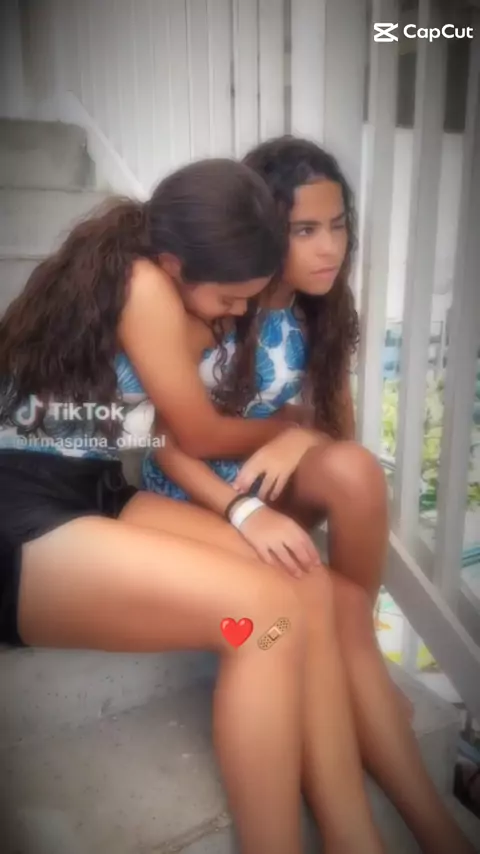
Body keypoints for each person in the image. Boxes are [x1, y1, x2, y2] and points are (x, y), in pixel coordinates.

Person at [0, 157, 388, 854]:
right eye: (232, 299)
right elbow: (199, 434)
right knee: (261, 618)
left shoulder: (154, 274)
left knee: (302, 580)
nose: (238, 313)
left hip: (93, 487)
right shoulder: (143, 283)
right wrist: (293, 426)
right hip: (19, 510)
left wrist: (268, 475)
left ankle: (351, 835)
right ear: (179, 265)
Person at [137, 137, 476, 854]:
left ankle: (360, 655)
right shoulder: (213, 303)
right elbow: (165, 435)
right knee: (315, 595)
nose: (330, 248)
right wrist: (257, 483)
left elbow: (336, 436)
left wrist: (299, 438)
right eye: (305, 230)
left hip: (268, 494)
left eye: (339, 225)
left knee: (354, 472)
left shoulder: (320, 314)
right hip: (199, 501)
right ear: (263, 229)